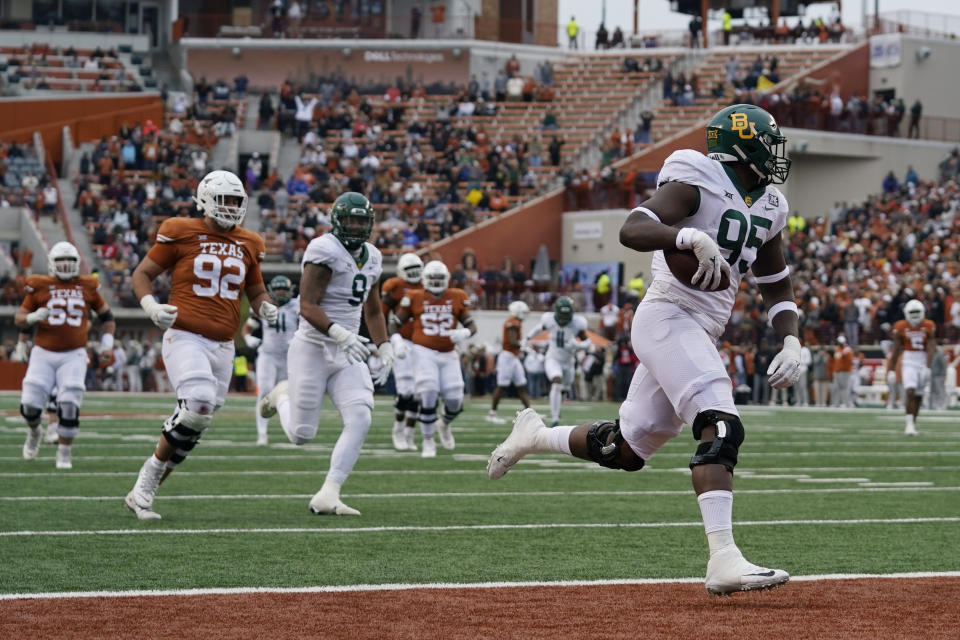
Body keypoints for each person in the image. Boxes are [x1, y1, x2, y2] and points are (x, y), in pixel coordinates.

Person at [487, 104, 801, 596]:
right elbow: (634, 227)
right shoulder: (697, 175)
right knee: (720, 424)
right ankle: (723, 559)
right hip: (669, 314)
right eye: (768, 142)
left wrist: (792, 337)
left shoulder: (770, 204)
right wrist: (687, 234)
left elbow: (776, 284)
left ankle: (534, 436)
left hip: (701, 327)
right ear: (743, 145)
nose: (775, 154)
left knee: (626, 450)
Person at [125, 170, 276, 520]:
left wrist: (264, 304)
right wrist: (150, 305)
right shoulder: (181, 229)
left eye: (236, 201)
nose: (230, 207)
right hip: (186, 335)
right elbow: (142, 275)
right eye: (224, 199)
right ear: (205, 199)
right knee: (197, 404)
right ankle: (146, 480)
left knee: (198, 422)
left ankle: (142, 494)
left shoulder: (250, 241)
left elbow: (255, 288)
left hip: (223, 345)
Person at [260, 192, 393, 516]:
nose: (356, 226)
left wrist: (384, 345)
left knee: (361, 416)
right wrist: (339, 332)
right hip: (314, 347)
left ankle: (329, 492)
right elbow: (307, 306)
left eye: (362, 221)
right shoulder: (324, 250)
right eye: (350, 220)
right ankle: (281, 396)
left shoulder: (373, 256)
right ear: (336, 220)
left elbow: (373, 309)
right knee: (301, 435)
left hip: (347, 350)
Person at [16, 241, 116, 470]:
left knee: (70, 403)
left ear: (77, 264)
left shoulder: (88, 285)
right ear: (52, 263)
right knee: (30, 405)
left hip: (74, 353)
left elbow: (107, 318)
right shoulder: (38, 284)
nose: (64, 266)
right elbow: (19, 318)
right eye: (60, 262)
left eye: (69, 262)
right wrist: (32, 319)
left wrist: (107, 345)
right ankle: (34, 431)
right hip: (43, 352)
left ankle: (64, 452)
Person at [393, 261, 476, 458]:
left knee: (455, 399)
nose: (437, 283)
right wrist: (396, 341)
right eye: (433, 278)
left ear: (447, 279)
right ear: (424, 280)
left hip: (449, 354)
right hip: (423, 352)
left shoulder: (457, 296)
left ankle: (444, 423)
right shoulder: (414, 296)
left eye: (440, 279)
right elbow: (395, 323)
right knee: (428, 392)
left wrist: (464, 332)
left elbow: (472, 325)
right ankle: (428, 441)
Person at [244, 275, 299, 446]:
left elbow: (308, 325)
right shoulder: (264, 305)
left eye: (283, 289)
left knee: (288, 394)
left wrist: (299, 338)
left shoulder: (296, 306)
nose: (281, 292)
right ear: (271, 290)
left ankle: (291, 431)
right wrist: (247, 338)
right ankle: (262, 434)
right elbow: (248, 327)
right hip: (267, 354)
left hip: (289, 356)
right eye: (278, 289)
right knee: (265, 391)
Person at [380, 252, 425, 451]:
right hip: (402, 341)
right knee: (406, 391)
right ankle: (397, 429)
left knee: (419, 393)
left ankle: (409, 433)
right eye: (409, 269)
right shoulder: (395, 286)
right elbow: (381, 314)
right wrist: (385, 341)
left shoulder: (428, 286)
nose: (413, 273)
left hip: (423, 344)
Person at [524, 296, 590, 427]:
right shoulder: (548, 319)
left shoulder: (578, 323)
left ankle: (557, 407)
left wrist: (577, 346)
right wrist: (527, 337)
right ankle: (555, 419)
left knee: (564, 387)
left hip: (569, 361)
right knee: (556, 381)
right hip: (552, 358)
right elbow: (539, 328)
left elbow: (587, 343)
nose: (564, 319)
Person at [888, 299, 936, 435]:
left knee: (919, 395)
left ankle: (913, 422)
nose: (915, 315)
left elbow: (931, 346)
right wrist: (891, 369)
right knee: (910, 391)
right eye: (912, 312)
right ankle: (908, 424)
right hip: (909, 359)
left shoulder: (928, 325)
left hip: (922, 358)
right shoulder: (900, 326)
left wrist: (928, 366)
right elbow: (896, 349)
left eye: (917, 312)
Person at [487, 300, 533, 424]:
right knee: (502, 386)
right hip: (507, 356)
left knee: (522, 384)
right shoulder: (513, 322)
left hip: (513, 356)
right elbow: (512, 341)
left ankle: (530, 413)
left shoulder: (516, 322)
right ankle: (492, 413)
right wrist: (523, 346)